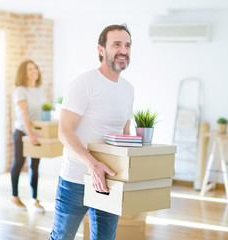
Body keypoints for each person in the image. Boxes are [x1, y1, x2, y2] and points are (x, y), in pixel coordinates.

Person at [49, 24, 134, 240]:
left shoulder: (128, 90)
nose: (123, 50)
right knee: (61, 237)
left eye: (127, 45)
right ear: (101, 49)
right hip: (77, 180)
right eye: (116, 44)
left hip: (109, 181)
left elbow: (124, 133)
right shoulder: (84, 84)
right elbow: (64, 131)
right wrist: (93, 165)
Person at [10, 60, 46, 212]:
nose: (34, 71)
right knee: (18, 164)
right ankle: (15, 197)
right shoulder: (20, 90)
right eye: (30, 69)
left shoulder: (39, 90)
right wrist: (30, 132)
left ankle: (34, 199)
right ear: (23, 73)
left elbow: (42, 112)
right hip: (22, 133)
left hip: (36, 133)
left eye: (35, 68)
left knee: (35, 167)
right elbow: (24, 113)